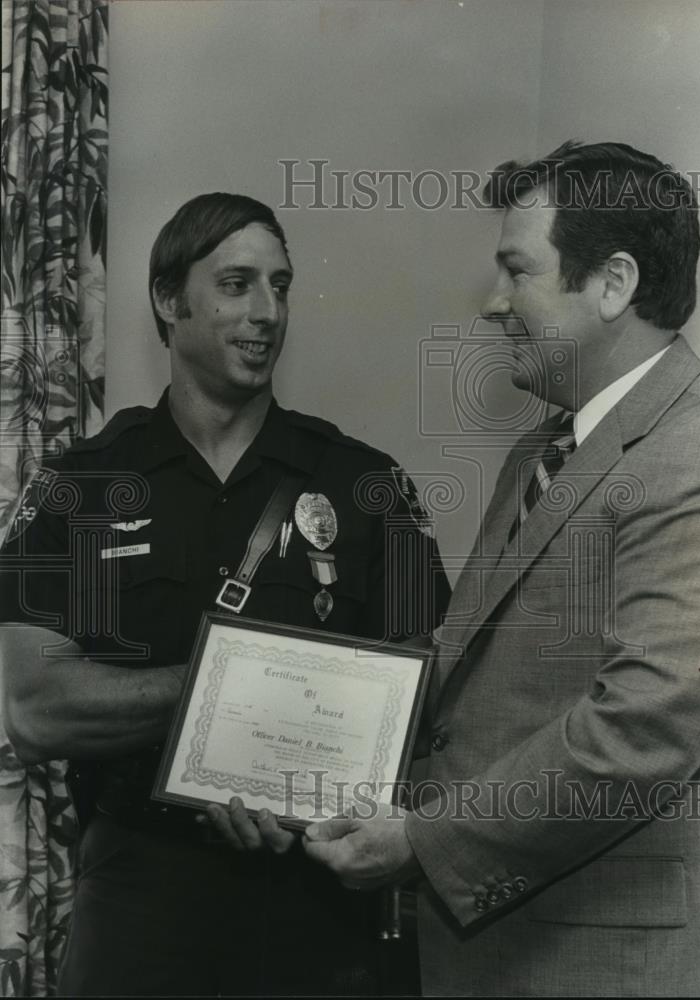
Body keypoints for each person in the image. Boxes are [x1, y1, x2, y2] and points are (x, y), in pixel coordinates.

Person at [301, 141, 700, 997]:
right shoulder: (541, 451)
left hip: (604, 968)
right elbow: (472, 685)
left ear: (612, 283)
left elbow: (644, 730)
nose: (493, 304)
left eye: (518, 271)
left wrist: (422, 843)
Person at [0, 192, 450, 996]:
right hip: (140, 888)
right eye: (238, 284)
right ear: (168, 301)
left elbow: (428, 687)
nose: (268, 311)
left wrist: (302, 787)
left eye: (280, 286)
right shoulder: (83, 485)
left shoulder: (366, 485)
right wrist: (243, 694)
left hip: (319, 889)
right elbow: (38, 710)